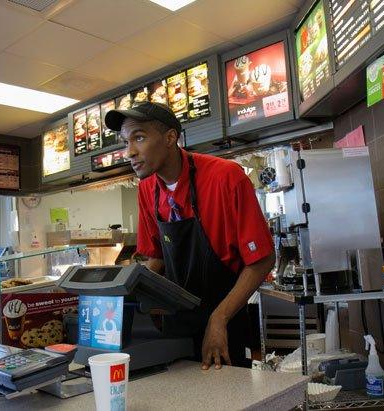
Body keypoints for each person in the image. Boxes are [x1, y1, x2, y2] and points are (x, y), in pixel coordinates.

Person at [105, 102, 275, 370]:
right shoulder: (147, 189)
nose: (129, 152)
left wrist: (218, 319)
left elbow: (262, 260)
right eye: (126, 142)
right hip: (177, 325)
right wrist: (125, 297)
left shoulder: (226, 177)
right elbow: (157, 259)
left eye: (139, 138)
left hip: (226, 319)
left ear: (171, 137)